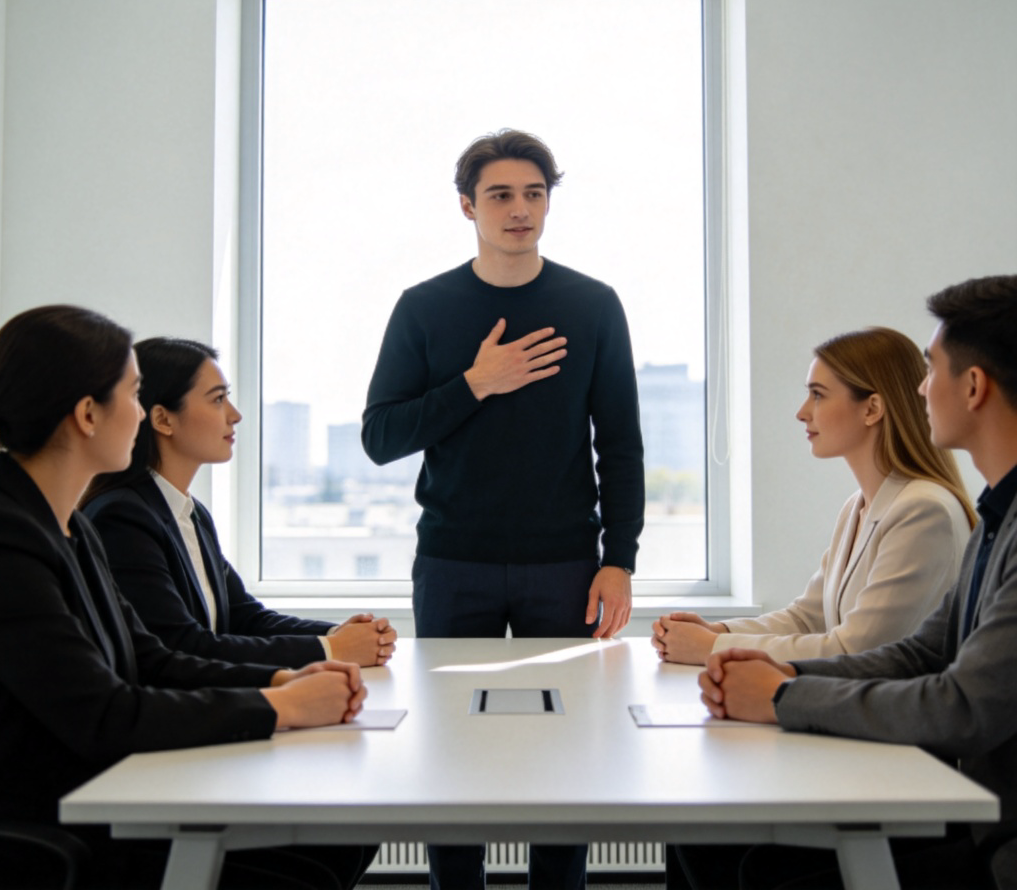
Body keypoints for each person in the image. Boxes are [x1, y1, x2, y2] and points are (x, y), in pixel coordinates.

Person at [0, 305, 375, 890]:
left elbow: (151, 659)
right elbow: (105, 712)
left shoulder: (72, 525)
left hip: (112, 789)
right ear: (88, 414)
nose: (141, 412)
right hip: (63, 819)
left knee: (334, 845)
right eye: (134, 394)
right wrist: (282, 707)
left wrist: (281, 681)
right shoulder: (7, 537)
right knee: (305, 874)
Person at [362, 129, 645, 890]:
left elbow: (620, 445)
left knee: (568, 757)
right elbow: (380, 438)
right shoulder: (424, 307)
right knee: (451, 757)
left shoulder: (593, 304)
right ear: (467, 206)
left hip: (567, 565)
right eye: (500, 195)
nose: (520, 209)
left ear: (549, 202)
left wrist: (620, 560)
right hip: (454, 563)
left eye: (534, 193)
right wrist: (475, 383)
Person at [697, 275, 1017, 890]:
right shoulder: (996, 518)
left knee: (757, 866)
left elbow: (962, 705)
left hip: (994, 841)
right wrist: (782, 672)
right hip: (971, 811)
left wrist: (782, 696)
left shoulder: (954, 513)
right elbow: (921, 653)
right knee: (723, 846)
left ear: (974, 386)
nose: (919, 388)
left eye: (931, 369)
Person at [653, 326, 974, 668]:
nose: (802, 412)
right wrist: (716, 630)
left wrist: (713, 647)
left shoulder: (923, 510)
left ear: (872, 409)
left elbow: (854, 650)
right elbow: (807, 619)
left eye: (818, 395)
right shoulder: (857, 507)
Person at [82, 337, 397, 669]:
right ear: (163, 420)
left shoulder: (191, 513)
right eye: (218, 399)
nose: (235, 415)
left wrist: (337, 635)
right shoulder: (122, 517)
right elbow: (181, 646)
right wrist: (331, 650)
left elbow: (243, 617)